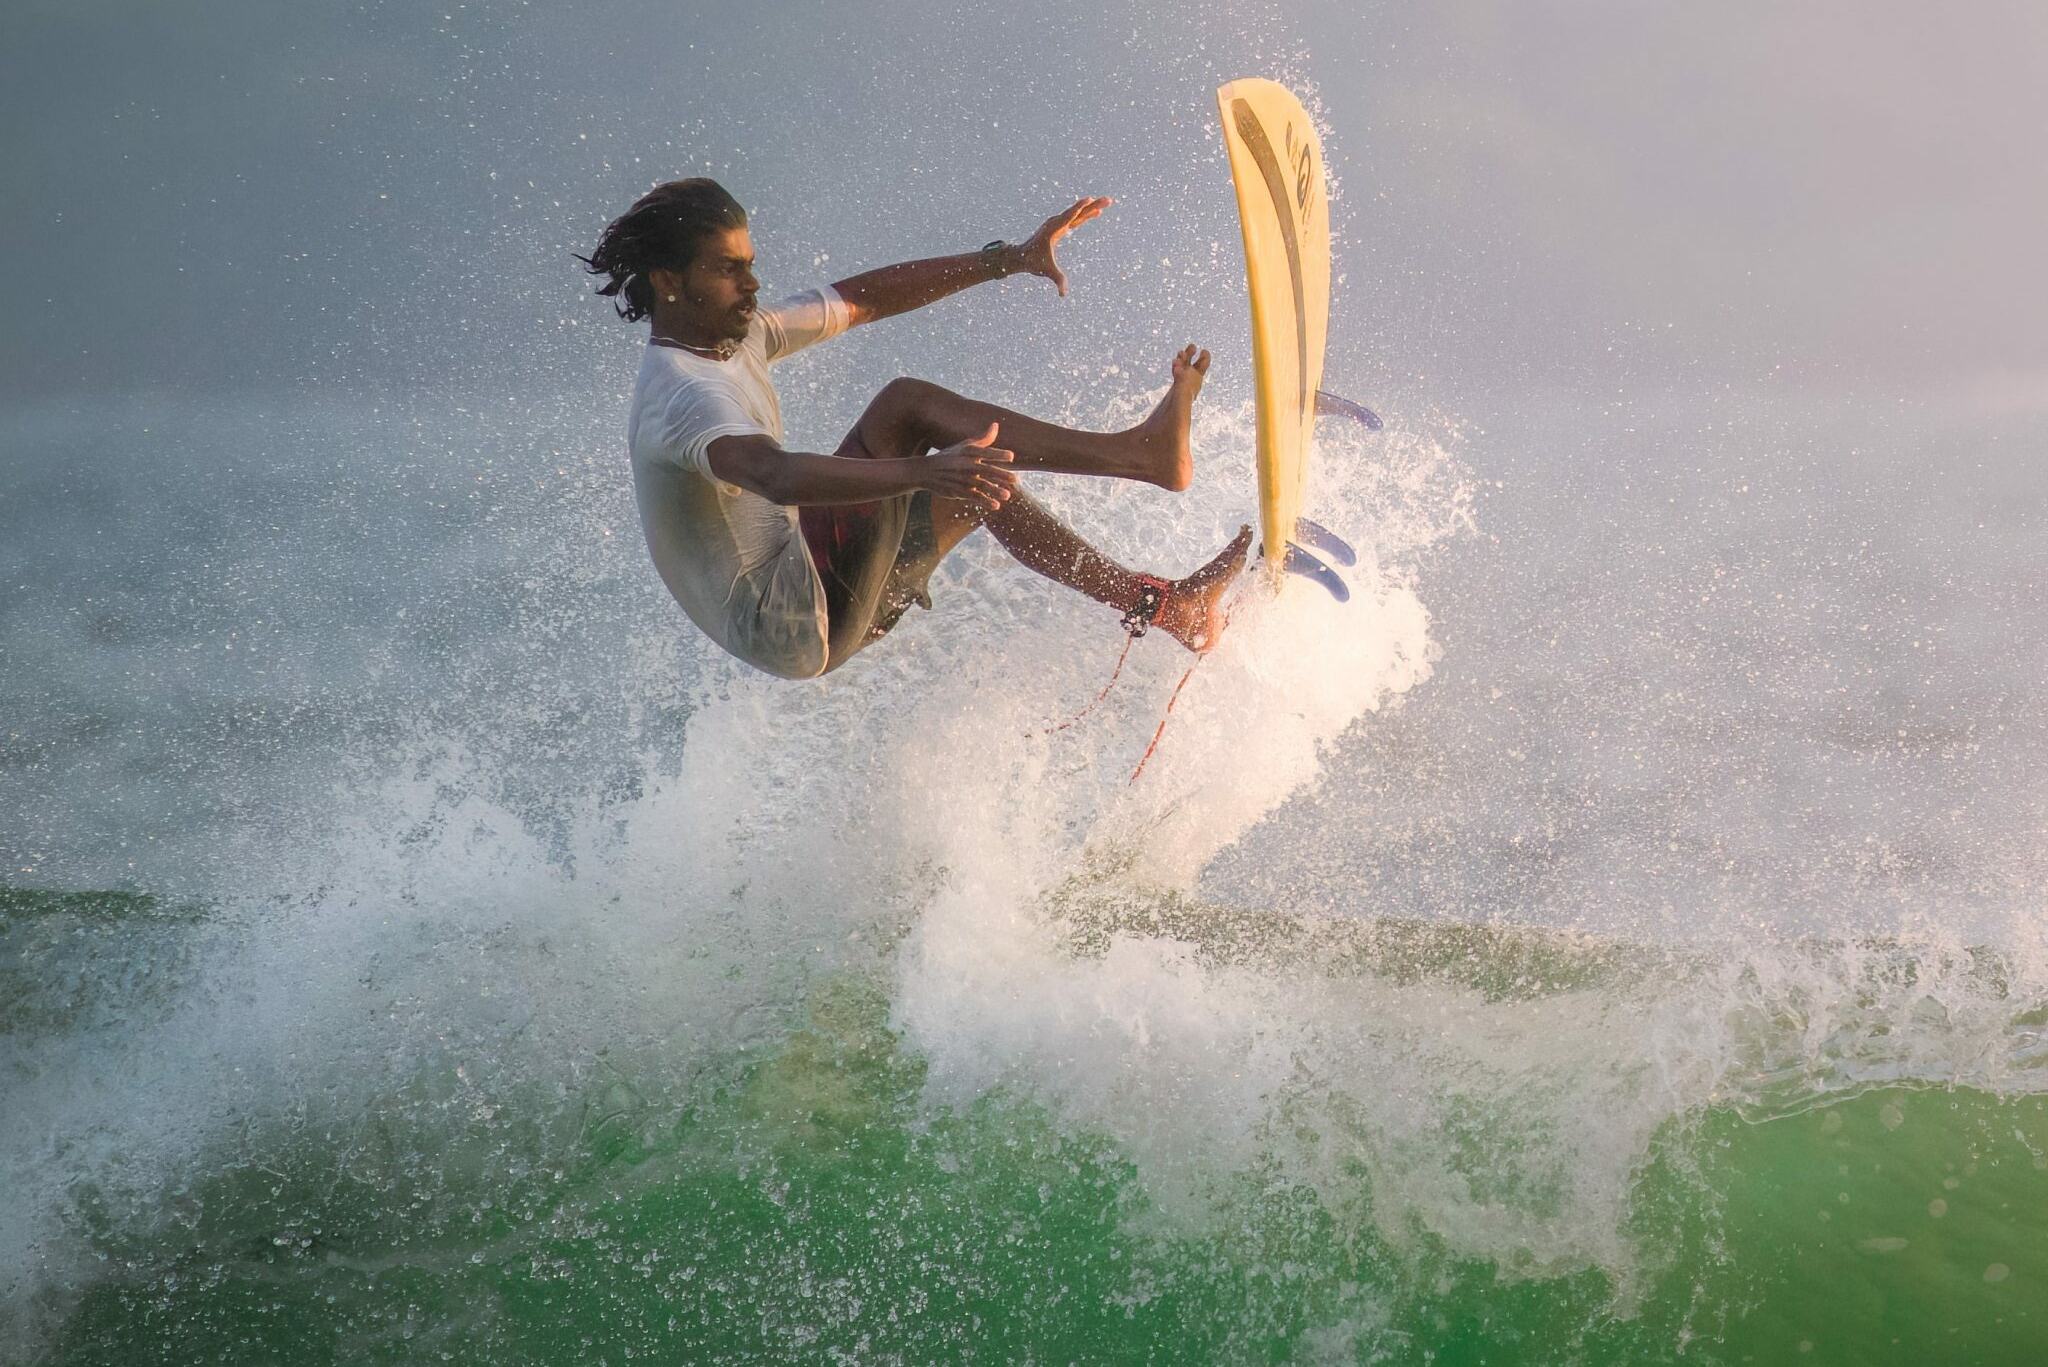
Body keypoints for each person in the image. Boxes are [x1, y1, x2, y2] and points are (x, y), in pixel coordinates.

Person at [578, 178, 1249, 681]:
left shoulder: (734, 336)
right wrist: (921, 471)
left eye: (750, 262)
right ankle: (1139, 456)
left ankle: (1166, 606)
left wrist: (1008, 258)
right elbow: (772, 472)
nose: (752, 283)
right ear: (668, 280)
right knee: (903, 409)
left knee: (975, 488)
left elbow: (863, 298)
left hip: (812, 609)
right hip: (789, 615)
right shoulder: (683, 395)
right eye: (729, 269)